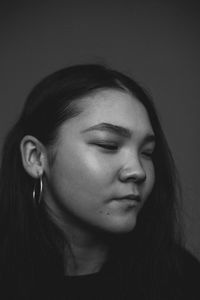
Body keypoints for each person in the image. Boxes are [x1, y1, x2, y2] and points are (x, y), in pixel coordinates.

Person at [0, 64, 199, 300]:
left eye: (147, 152)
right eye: (108, 145)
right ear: (35, 157)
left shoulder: (180, 278)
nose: (138, 171)